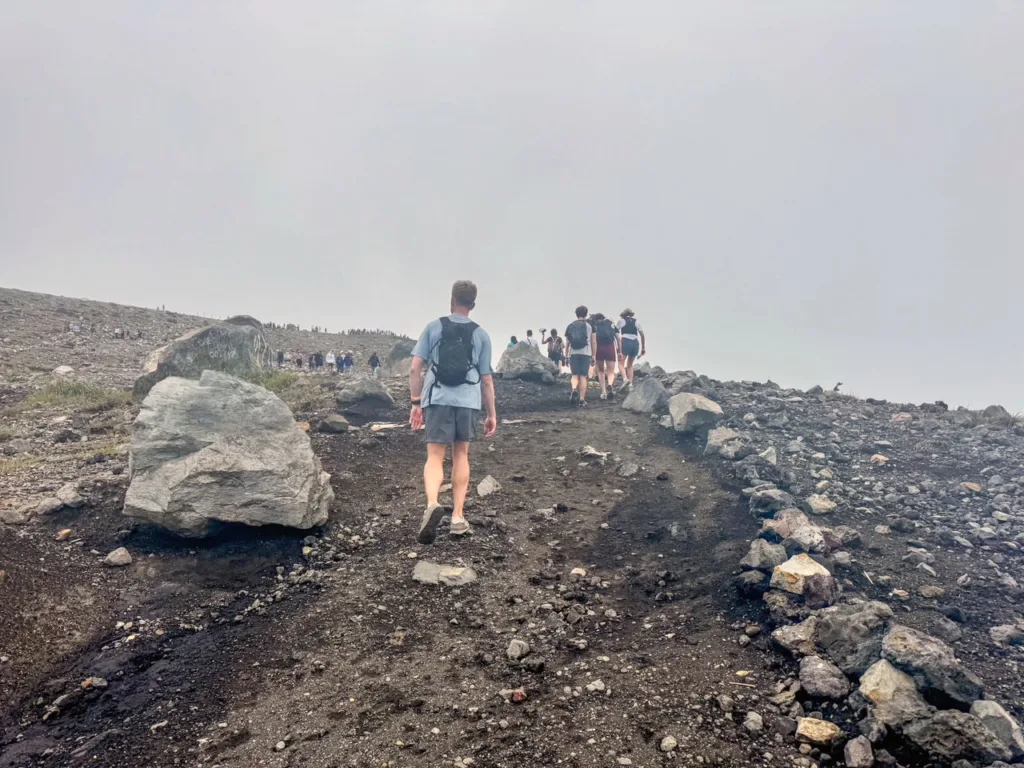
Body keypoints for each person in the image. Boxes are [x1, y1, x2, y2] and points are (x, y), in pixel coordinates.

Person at [409, 280, 496, 544]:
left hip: (438, 399)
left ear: (452, 299)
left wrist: (415, 403)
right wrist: (491, 413)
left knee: (435, 456)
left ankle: (433, 503)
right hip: (468, 402)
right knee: (461, 454)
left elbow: (415, 368)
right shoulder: (481, 334)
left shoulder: (433, 327)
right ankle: (458, 516)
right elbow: (487, 379)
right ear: (473, 303)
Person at [564, 306, 593, 406]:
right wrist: (593, 355)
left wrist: (566, 356)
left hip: (573, 353)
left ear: (576, 314)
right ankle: (581, 399)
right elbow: (593, 342)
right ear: (586, 314)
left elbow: (567, 343)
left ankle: (574, 389)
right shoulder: (589, 326)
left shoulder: (570, 326)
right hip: (586, 353)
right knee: (583, 376)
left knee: (574, 375)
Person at [591, 313, 620, 400]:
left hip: (599, 348)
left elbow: (592, 340)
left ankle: (603, 392)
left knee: (601, 371)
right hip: (610, 347)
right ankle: (610, 384)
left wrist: (593, 354)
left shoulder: (594, 325)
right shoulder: (610, 324)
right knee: (611, 371)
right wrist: (619, 351)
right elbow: (618, 338)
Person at [616, 309, 646, 391]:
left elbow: (615, 332)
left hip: (625, 341)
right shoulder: (636, 322)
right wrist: (643, 348)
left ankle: (625, 379)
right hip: (635, 343)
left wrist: (617, 345)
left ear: (623, 314)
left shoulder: (621, 321)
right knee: (630, 365)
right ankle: (630, 385)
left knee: (621, 363)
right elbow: (642, 335)